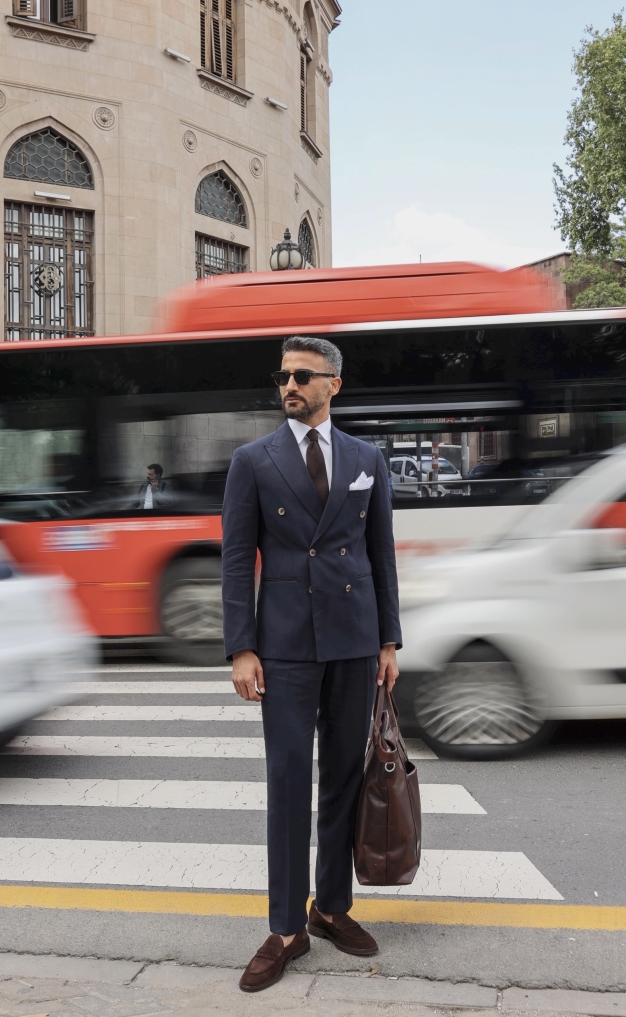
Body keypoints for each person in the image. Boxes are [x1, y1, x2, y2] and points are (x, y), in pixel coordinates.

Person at [221, 336, 401, 994]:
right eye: (282, 376)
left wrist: (388, 643)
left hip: (355, 641)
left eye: (302, 375)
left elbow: (380, 554)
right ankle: (286, 928)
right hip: (287, 645)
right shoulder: (253, 460)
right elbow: (239, 558)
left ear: (334, 385)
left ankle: (330, 909)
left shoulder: (366, 458)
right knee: (290, 784)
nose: (289, 385)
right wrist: (242, 647)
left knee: (344, 783)